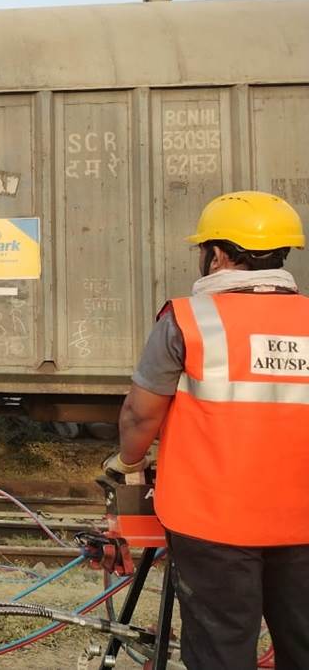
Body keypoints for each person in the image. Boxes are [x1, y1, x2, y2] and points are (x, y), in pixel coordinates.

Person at [107, 191, 309, 670]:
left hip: (214, 523)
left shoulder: (188, 320)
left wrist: (128, 462)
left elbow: (139, 415)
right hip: (303, 520)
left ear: (216, 255)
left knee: (222, 650)